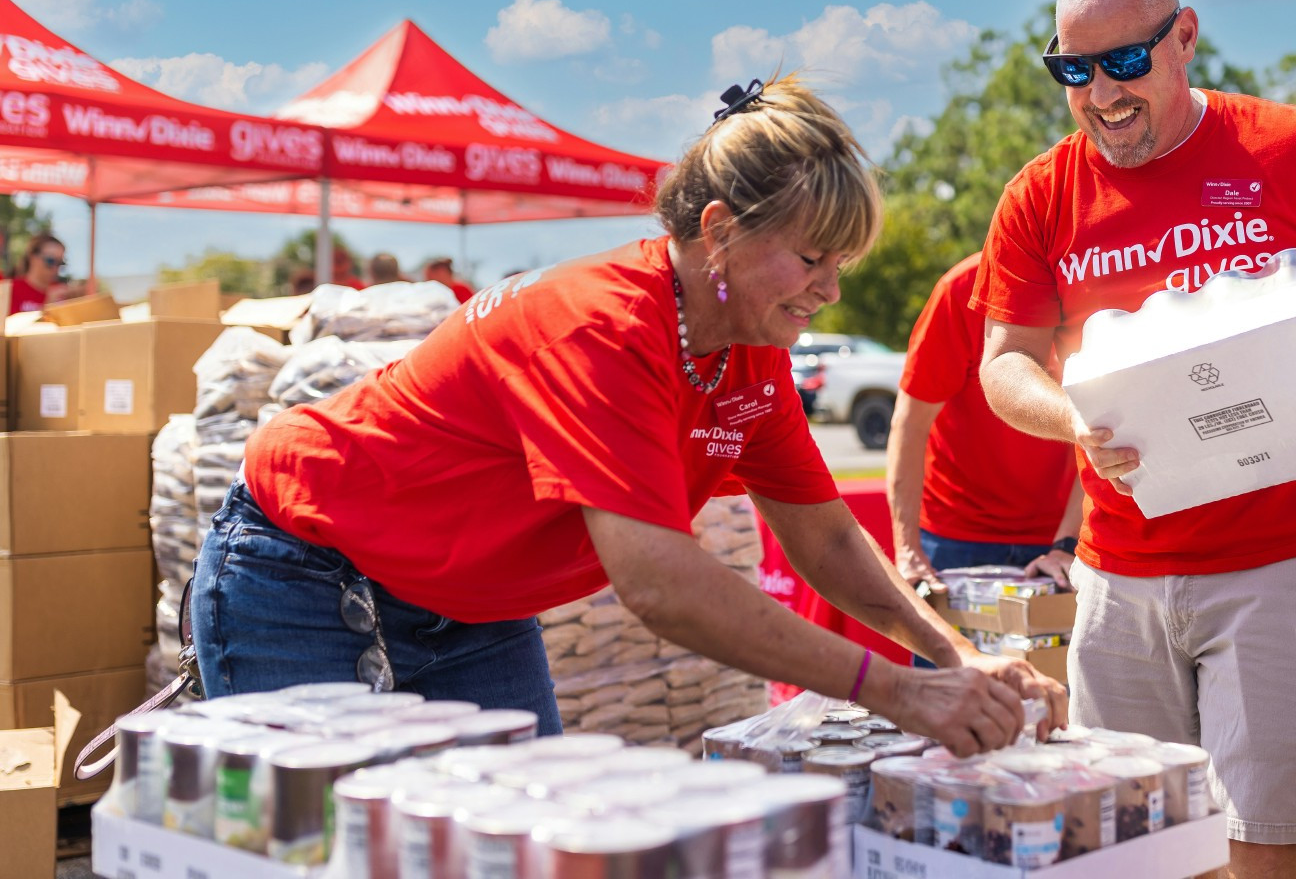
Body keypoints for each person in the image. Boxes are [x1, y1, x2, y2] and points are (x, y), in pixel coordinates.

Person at [191, 74, 1067, 756]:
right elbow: (659, 584)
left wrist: (952, 654)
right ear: (720, 230)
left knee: (514, 848)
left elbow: (826, 538)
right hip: (306, 570)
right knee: (328, 855)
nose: (832, 291)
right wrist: (897, 690)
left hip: (464, 609)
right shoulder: (602, 327)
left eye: (844, 262)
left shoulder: (747, 354)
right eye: (811, 258)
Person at [973, 0, 1296, 878]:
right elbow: (1003, 365)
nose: (1101, 94)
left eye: (1124, 63)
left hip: (1279, 566)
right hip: (1120, 576)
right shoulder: (1040, 194)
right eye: (1073, 71)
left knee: (1261, 852)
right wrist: (1073, 419)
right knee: (1138, 852)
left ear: (1186, 37)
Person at [888, 252, 1081, 609]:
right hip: (954, 536)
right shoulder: (961, 288)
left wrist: (1068, 542)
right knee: (950, 664)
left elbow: (1108, 427)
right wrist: (907, 548)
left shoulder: (1097, 279)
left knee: (1052, 666)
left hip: (1060, 537)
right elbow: (910, 422)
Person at [9, 234, 67, 314]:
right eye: (50, 261)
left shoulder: (60, 291)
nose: (55, 268)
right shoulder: (11, 289)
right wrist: (47, 306)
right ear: (32, 257)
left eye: (60, 263)